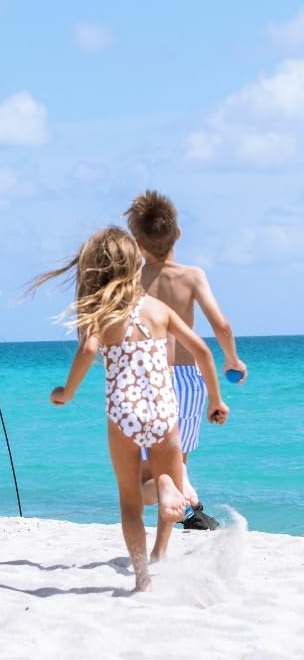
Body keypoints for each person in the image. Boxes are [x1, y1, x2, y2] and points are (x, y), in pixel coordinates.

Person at [30, 227, 229, 592]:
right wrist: (216, 399)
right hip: (164, 410)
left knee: (130, 502)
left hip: (123, 414)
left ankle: (142, 580)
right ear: (134, 265)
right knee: (167, 472)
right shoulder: (158, 310)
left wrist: (66, 392)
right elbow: (201, 351)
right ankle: (164, 521)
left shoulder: (102, 315)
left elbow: (89, 351)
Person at [125, 190, 248, 530]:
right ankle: (186, 504)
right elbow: (221, 324)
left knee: (147, 481)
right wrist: (232, 360)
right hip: (189, 381)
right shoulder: (192, 276)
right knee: (177, 460)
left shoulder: (132, 281)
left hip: (149, 380)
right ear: (177, 233)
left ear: (136, 242)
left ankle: (173, 491)